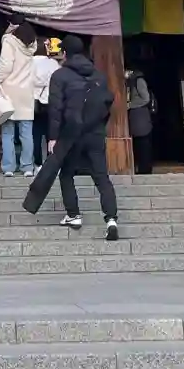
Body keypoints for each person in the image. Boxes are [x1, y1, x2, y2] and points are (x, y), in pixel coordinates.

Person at [46, 35, 119, 240]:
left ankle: (73, 215)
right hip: (95, 132)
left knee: (67, 174)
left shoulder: (59, 76)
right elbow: (107, 102)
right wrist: (99, 125)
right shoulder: (99, 75)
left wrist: (53, 137)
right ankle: (111, 219)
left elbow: (55, 108)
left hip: (71, 134)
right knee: (101, 177)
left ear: (64, 53)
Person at [0, 21, 38, 176]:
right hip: (26, 92)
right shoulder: (31, 45)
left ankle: (9, 167)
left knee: (8, 132)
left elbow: (5, 66)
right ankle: (27, 167)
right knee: (27, 133)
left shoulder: (9, 42)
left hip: (9, 91)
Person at [32, 38, 61, 167]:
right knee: (52, 134)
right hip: (51, 101)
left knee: (35, 134)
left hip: (34, 102)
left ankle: (37, 162)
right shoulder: (54, 63)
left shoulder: (28, 63)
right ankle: (51, 162)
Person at [125, 68, 155, 175]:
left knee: (143, 143)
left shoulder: (138, 81)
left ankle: (145, 169)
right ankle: (141, 168)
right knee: (138, 144)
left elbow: (146, 98)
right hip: (136, 117)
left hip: (141, 116)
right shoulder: (130, 82)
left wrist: (129, 105)